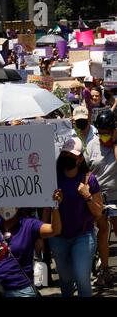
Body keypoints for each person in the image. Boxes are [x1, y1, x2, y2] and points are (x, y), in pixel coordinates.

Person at [49, 137, 103, 296]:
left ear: (80, 159)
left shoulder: (89, 179)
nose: (68, 158)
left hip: (83, 236)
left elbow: (98, 212)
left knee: (81, 278)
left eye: (72, 156)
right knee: (65, 281)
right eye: (65, 154)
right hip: (58, 237)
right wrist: (42, 235)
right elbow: (47, 209)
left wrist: (87, 196)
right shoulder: (54, 178)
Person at [85, 110, 117, 287]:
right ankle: (105, 269)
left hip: (116, 195)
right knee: (102, 231)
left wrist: (115, 143)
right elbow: (87, 168)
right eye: (101, 132)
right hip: (98, 196)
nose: (104, 136)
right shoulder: (92, 145)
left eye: (107, 132)